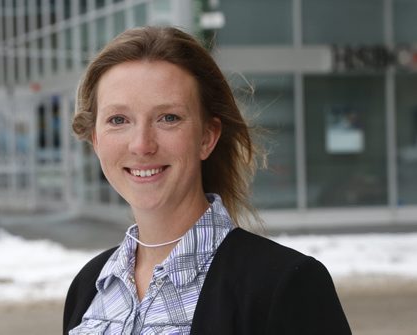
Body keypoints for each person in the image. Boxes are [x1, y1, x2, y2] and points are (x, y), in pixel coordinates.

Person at [64, 26, 351, 335]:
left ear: (207, 137)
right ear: (95, 139)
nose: (141, 144)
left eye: (168, 118)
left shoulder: (284, 284)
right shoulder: (90, 285)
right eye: (118, 120)